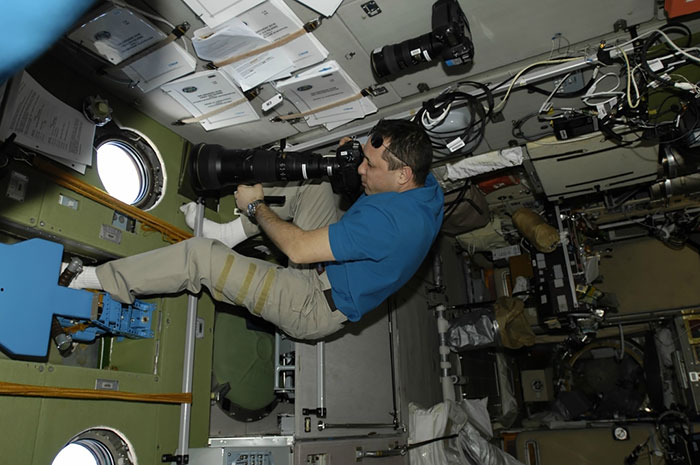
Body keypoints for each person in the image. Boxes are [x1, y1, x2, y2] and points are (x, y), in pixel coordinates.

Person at [72, 119, 444, 339]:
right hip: (330, 266)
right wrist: (354, 159)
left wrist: (255, 206)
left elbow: (298, 250)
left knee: (200, 256)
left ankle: (91, 279)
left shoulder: (391, 227)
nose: (361, 169)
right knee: (313, 181)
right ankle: (230, 234)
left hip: (312, 302)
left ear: (402, 175)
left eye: (370, 166)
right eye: (364, 158)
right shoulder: (425, 185)